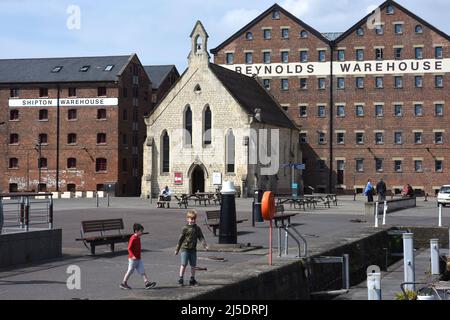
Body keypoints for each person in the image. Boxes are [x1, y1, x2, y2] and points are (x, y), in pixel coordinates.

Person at [174, 210, 208, 286]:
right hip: (185, 249)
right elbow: (180, 240)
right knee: (183, 264)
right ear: (187, 219)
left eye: (194, 219)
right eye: (191, 219)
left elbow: (201, 237)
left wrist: (204, 245)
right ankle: (181, 278)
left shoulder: (197, 228)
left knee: (193, 265)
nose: (193, 220)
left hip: (193, 250)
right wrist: (177, 249)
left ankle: (192, 279)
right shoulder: (185, 228)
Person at [120, 223, 156, 290]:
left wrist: (138, 256)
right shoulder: (133, 238)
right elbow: (129, 248)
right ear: (136, 231)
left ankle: (147, 283)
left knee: (142, 271)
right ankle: (123, 283)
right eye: (141, 231)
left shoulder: (138, 238)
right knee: (130, 271)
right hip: (132, 259)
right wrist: (133, 256)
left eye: (142, 231)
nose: (142, 232)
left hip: (138, 258)